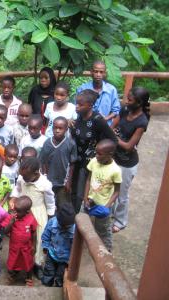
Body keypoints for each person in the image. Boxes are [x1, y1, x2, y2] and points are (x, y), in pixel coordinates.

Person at [70, 89, 117, 213]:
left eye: (80, 105)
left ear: (90, 105)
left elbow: (112, 140)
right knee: (74, 190)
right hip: (77, 160)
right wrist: (71, 126)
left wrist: (103, 157)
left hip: (90, 163)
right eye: (76, 104)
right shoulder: (79, 117)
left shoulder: (97, 120)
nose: (77, 107)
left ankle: (79, 220)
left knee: (82, 193)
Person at [112, 87, 150, 233]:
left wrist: (115, 138)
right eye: (127, 98)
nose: (126, 101)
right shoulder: (124, 110)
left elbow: (128, 147)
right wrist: (112, 133)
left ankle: (120, 221)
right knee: (111, 188)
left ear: (139, 103)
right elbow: (113, 126)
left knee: (122, 194)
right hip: (114, 157)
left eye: (130, 99)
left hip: (127, 163)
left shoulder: (142, 122)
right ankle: (111, 213)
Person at [11, 157, 55, 279]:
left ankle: (37, 264)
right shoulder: (22, 178)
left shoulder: (45, 184)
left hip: (38, 214)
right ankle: (20, 263)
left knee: (39, 240)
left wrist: (50, 216)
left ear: (36, 173)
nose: (23, 179)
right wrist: (14, 198)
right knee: (23, 239)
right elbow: (17, 189)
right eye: (22, 176)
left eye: (26, 177)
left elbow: (50, 202)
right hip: (23, 213)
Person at [84, 139, 122, 251]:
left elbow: (117, 191)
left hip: (103, 205)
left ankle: (107, 250)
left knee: (103, 229)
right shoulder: (94, 161)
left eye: (99, 154)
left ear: (109, 154)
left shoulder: (115, 170)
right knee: (82, 220)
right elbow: (88, 180)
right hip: (90, 200)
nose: (96, 155)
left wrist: (107, 206)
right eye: (96, 152)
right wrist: (85, 197)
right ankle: (78, 243)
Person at [40, 117, 77, 209]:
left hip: (62, 182)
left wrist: (69, 181)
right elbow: (42, 161)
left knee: (62, 205)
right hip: (48, 181)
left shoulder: (70, 144)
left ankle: (61, 222)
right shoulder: (47, 143)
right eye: (55, 128)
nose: (57, 130)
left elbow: (72, 164)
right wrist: (43, 177)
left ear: (66, 129)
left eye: (60, 128)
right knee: (48, 205)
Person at [5, 196, 37, 287]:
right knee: (13, 262)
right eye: (14, 209)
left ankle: (29, 278)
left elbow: (34, 233)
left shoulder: (31, 219)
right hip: (14, 248)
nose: (15, 212)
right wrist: (11, 222)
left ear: (26, 212)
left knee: (28, 263)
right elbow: (5, 231)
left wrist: (34, 245)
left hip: (26, 247)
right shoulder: (12, 218)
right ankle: (13, 275)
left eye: (18, 211)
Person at [76, 60, 120, 126]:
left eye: (101, 72)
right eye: (96, 71)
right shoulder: (83, 89)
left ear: (105, 73)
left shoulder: (111, 90)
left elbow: (116, 110)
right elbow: (77, 108)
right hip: (85, 124)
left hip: (104, 124)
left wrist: (105, 119)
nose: (98, 75)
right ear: (91, 72)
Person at [41, 202, 75, 287]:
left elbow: (74, 247)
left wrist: (72, 259)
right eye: (62, 225)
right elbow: (46, 235)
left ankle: (58, 287)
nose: (64, 228)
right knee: (49, 272)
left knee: (61, 275)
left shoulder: (74, 230)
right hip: (52, 254)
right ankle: (47, 286)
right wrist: (45, 247)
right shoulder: (52, 222)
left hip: (65, 259)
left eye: (67, 226)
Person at [28, 67, 57, 131]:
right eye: (41, 78)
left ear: (51, 78)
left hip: (51, 127)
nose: (43, 80)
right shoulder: (35, 90)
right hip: (35, 126)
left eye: (46, 78)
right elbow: (29, 107)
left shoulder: (56, 92)